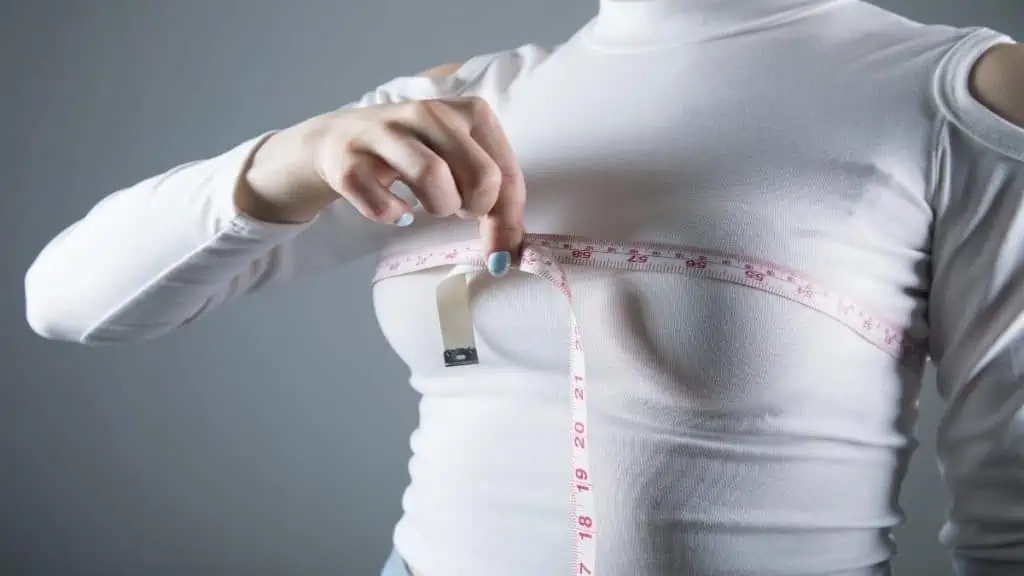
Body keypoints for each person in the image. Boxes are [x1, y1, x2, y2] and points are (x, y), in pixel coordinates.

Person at [23, 0, 1024, 574]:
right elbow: (67, 304)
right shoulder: (467, 99)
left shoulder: (957, 93)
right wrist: (286, 159)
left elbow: (1010, 508)